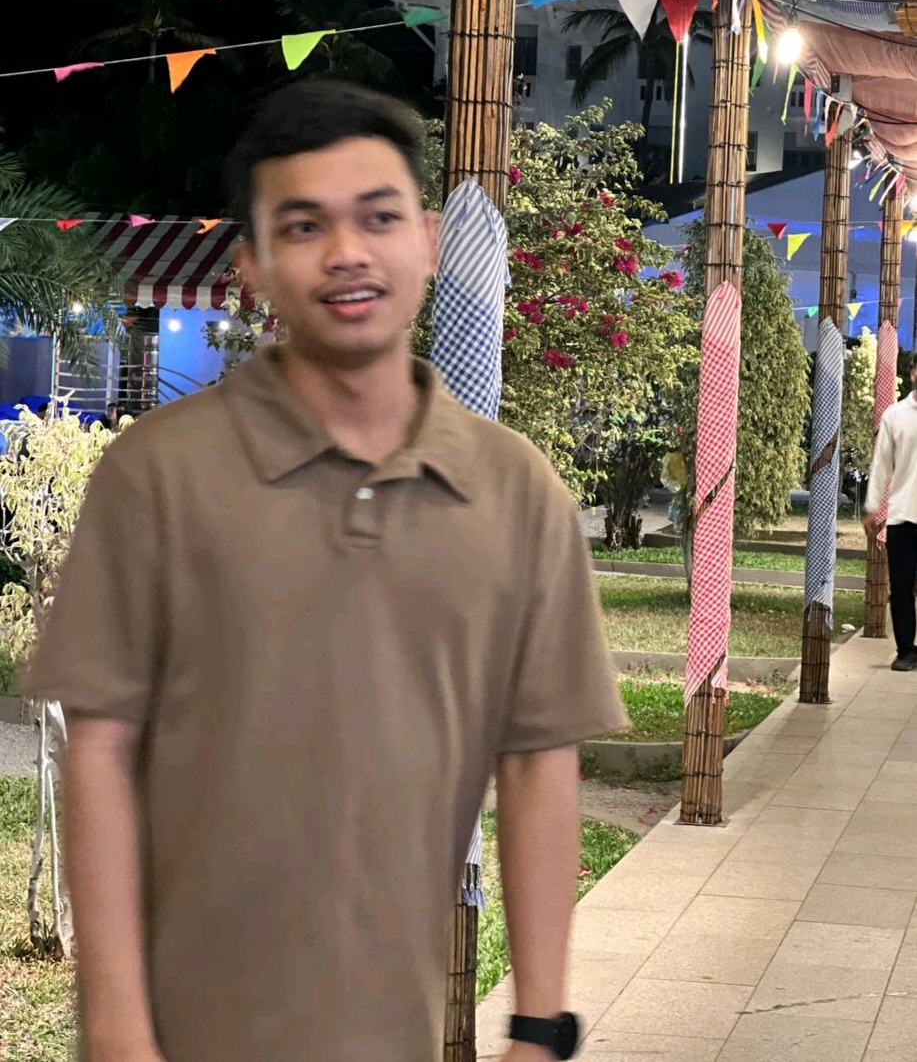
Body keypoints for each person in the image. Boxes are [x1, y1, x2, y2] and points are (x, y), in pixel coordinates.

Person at [24, 80, 626, 1062]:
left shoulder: (515, 492)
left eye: (378, 217)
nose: (347, 251)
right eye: (304, 226)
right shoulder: (157, 474)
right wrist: (118, 1029)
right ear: (253, 266)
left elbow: (536, 760)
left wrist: (540, 1024)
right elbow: (100, 752)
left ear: (428, 241)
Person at [864, 352, 917, 671]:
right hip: (902, 516)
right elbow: (881, 464)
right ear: (913, 374)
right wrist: (872, 506)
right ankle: (905, 651)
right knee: (901, 587)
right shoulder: (895, 416)